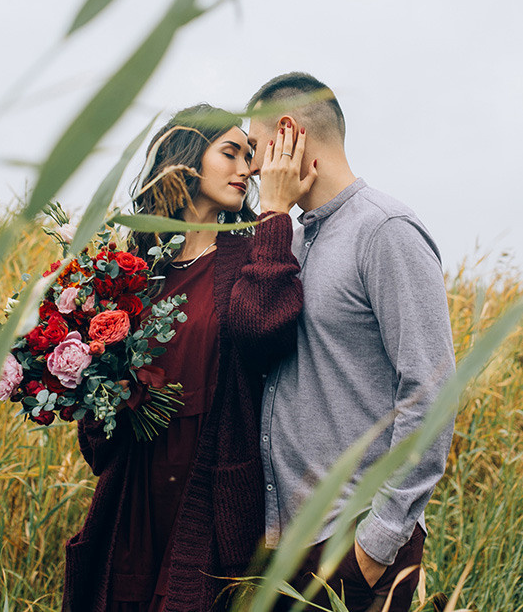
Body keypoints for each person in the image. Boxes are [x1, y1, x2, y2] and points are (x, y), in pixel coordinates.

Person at [63, 104, 316, 612]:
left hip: (213, 491)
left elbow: (265, 330)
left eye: (251, 156)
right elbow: (97, 441)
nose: (247, 168)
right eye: (231, 152)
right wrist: (97, 391)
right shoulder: (132, 270)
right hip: (135, 494)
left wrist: (275, 216)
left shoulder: (250, 252)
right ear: (185, 158)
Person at [246, 73, 456, 612]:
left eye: (254, 147)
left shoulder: (386, 231)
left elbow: (431, 393)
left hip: (353, 546)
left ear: (288, 134)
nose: (251, 166)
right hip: (282, 544)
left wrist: (377, 542)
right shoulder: (290, 238)